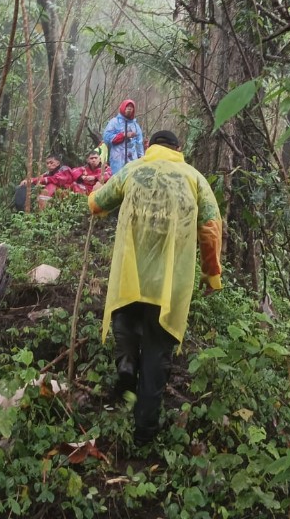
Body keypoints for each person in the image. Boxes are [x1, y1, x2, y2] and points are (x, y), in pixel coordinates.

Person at [87, 130, 223, 446]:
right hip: (169, 287)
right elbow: (211, 229)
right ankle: (144, 433)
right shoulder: (195, 179)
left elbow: (98, 204)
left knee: (126, 320)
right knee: (156, 355)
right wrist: (211, 275)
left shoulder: (132, 170)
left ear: (148, 148)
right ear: (179, 149)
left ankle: (125, 362)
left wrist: (93, 196)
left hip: (131, 278)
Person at [103, 99, 144, 175]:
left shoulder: (135, 125)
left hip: (132, 160)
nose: (129, 108)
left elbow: (139, 143)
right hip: (117, 160)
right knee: (117, 182)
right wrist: (124, 135)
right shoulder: (114, 122)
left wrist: (141, 157)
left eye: (131, 107)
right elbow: (106, 138)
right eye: (127, 106)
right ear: (123, 107)